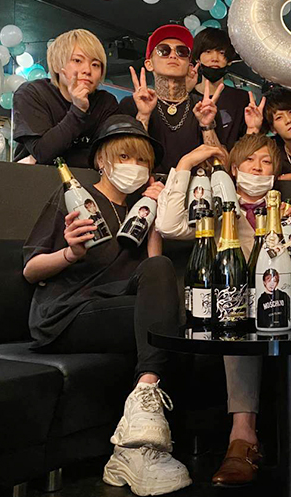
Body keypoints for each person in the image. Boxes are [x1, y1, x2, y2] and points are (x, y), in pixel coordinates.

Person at [22, 114, 191, 495]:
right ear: (102, 160)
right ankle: (141, 434)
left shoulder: (138, 210)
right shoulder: (72, 198)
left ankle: (134, 446)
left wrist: (154, 214)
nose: (134, 166)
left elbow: (154, 270)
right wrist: (71, 252)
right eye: (125, 157)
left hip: (116, 308)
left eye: (142, 160)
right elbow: (31, 270)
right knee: (165, 328)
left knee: (169, 318)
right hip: (67, 313)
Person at [157, 134, 281, 486]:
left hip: (279, 308)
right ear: (234, 169)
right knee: (235, 323)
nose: (258, 168)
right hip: (231, 311)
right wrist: (184, 165)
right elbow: (168, 225)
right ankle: (242, 437)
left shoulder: (290, 210)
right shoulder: (214, 207)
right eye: (250, 161)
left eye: (266, 162)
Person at [119, 24, 223, 173]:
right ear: (149, 64)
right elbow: (125, 165)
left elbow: (221, 167)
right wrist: (143, 116)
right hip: (147, 185)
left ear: (189, 66)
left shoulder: (203, 107)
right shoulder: (131, 105)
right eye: (163, 51)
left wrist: (207, 126)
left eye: (182, 52)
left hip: (195, 185)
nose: (173, 55)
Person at [13, 29, 119, 166]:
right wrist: (78, 110)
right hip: (35, 177)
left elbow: (112, 157)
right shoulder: (32, 93)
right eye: (77, 60)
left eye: (95, 65)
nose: (87, 70)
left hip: (87, 179)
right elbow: (43, 152)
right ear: (57, 65)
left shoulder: (105, 102)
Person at [191, 27, 251, 151]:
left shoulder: (241, 98)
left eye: (222, 53)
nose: (215, 58)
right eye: (208, 51)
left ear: (229, 61)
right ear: (197, 58)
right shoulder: (187, 96)